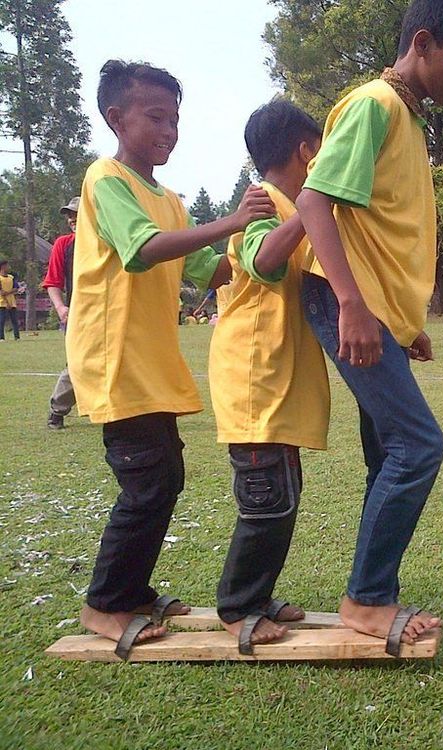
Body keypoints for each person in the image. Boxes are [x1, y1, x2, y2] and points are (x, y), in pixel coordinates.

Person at [66, 59, 275, 656]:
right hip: (113, 360)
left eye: (175, 119)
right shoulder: (106, 180)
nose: (169, 130)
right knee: (146, 484)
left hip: (149, 362)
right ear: (116, 118)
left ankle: (131, 591)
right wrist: (231, 219)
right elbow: (142, 250)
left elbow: (214, 270)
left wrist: (270, 231)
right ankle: (103, 604)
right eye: (155, 117)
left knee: (163, 479)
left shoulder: (171, 200)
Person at [296, 0, 443, 654]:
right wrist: (351, 303)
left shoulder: (405, 120)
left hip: (378, 313)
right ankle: (367, 600)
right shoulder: (373, 104)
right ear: (423, 43)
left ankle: (371, 591)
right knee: (418, 447)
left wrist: (406, 325)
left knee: (390, 452)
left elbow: (386, 230)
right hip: (347, 303)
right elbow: (314, 199)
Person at [209, 100, 331, 650]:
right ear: (307, 151)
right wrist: (313, 207)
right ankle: (238, 604)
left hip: (277, 378)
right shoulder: (264, 204)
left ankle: (258, 595)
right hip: (255, 379)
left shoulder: (287, 202)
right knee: (266, 500)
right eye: (322, 149)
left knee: (282, 493)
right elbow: (260, 260)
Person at [41, 197, 80, 428]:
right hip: (77, 315)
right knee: (78, 364)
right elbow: (53, 281)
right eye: (69, 215)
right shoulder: (64, 245)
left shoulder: (107, 242)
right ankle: (58, 408)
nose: (72, 218)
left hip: (112, 313)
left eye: (77, 213)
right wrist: (60, 307)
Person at [0, 259, 20, 341]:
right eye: (7, 265)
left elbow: (16, 288)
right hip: (2, 303)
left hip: (12, 302)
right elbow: (1, 292)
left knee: (15, 320)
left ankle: (17, 337)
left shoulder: (11, 277)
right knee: (1, 321)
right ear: (2, 267)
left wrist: (7, 292)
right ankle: (1, 337)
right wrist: (6, 301)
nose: (8, 267)